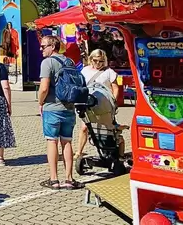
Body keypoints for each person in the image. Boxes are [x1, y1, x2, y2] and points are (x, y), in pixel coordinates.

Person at [38, 35, 82, 190]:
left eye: (43, 46)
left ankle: (54, 179)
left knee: (52, 141)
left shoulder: (47, 62)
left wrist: (40, 102)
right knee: (67, 141)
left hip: (52, 107)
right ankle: (69, 179)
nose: (41, 49)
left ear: (52, 46)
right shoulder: (69, 61)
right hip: (69, 108)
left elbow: (44, 88)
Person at [76, 49, 124, 161]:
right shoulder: (85, 70)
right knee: (84, 128)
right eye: (96, 60)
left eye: (101, 61)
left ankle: (115, 150)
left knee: (108, 128)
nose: (98, 63)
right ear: (91, 59)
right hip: (88, 104)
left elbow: (115, 88)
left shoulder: (109, 72)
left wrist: (114, 102)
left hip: (104, 105)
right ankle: (79, 152)